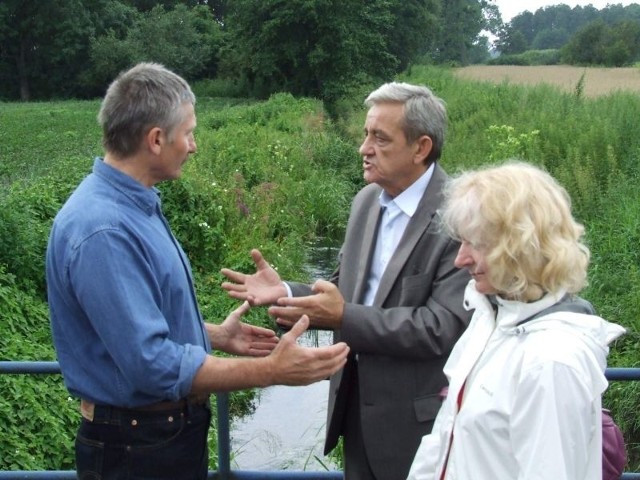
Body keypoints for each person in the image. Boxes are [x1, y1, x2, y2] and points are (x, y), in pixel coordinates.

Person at [45, 62, 350, 480]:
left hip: (157, 438)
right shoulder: (104, 230)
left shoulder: (134, 206)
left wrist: (211, 335)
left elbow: (127, 325)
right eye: (188, 133)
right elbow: (150, 363)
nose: (194, 146)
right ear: (155, 139)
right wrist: (270, 371)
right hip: (137, 450)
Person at [220, 82, 472, 480]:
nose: (363, 148)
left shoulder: (461, 214)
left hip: (420, 428)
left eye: (380, 138)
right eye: (365, 134)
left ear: (421, 148)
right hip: (354, 413)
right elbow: (342, 289)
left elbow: (440, 327)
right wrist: (285, 291)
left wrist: (343, 317)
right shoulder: (365, 201)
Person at [407, 161, 626, 480]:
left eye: (476, 243)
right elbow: (443, 443)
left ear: (522, 245)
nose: (460, 259)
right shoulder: (488, 320)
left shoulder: (551, 362)